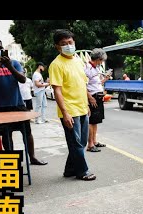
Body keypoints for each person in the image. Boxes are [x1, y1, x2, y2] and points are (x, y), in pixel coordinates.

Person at [0, 38, 47, 166]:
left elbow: (23, 79)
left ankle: (32, 157)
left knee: (27, 132)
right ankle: (11, 161)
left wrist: (9, 66)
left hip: (17, 104)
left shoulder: (13, 62)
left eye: (0, 48)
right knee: (6, 136)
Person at [48, 29, 96, 181]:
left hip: (82, 107)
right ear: (57, 46)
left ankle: (69, 170)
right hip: (69, 110)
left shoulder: (77, 60)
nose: (68, 45)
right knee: (75, 143)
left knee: (80, 142)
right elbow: (57, 90)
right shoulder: (56, 65)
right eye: (64, 44)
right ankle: (82, 171)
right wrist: (65, 112)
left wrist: (87, 103)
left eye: (70, 42)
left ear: (74, 42)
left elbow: (81, 84)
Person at [85, 48, 111, 152]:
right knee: (91, 121)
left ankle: (94, 141)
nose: (102, 62)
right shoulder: (88, 69)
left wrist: (105, 79)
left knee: (95, 121)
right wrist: (90, 98)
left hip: (98, 97)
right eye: (102, 60)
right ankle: (90, 144)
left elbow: (96, 83)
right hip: (93, 97)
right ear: (98, 59)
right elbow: (83, 85)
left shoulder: (95, 68)